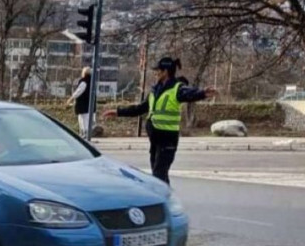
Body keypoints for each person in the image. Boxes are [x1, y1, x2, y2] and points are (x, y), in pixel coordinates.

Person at [102, 57, 216, 185]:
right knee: (159, 176)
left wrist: (202, 93)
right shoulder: (155, 90)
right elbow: (140, 108)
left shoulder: (177, 88)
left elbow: (189, 94)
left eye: (158, 70)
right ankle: (167, 201)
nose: (155, 73)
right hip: (156, 140)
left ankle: (162, 202)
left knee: (158, 176)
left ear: (165, 71)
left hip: (167, 140)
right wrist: (118, 112)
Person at [66, 67, 94, 138]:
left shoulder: (84, 82)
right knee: (86, 119)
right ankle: (86, 133)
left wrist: (71, 98)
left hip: (82, 104)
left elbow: (78, 92)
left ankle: (84, 133)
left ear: (84, 73)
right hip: (89, 104)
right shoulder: (92, 81)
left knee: (82, 119)